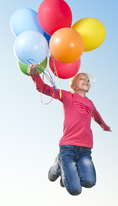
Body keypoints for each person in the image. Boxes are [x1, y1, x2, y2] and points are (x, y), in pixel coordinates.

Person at [28, 64, 111, 196]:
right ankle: (59, 166)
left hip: (85, 150)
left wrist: (104, 126)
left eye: (88, 80)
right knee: (75, 190)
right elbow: (44, 88)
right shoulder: (67, 96)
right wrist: (34, 74)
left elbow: (96, 116)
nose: (86, 81)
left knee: (89, 182)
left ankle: (66, 173)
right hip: (68, 148)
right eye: (81, 79)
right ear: (73, 86)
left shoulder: (90, 103)